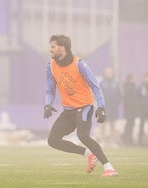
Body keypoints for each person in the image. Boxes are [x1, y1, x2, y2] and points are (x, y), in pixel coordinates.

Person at [44, 34, 118, 177]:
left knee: (83, 135)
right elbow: (49, 90)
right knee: (52, 141)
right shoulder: (50, 66)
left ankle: (109, 168)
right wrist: (47, 105)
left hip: (84, 107)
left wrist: (101, 107)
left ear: (62, 48)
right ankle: (89, 154)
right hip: (68, 111)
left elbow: (95, 86)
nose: (50, 50)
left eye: (53, 47)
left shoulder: (79, 64)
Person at [100, 67, 122, 147]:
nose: (108, 74)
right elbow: (98, 94)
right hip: (104, 107)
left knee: (113, 125)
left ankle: (112, 141)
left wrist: (117, 103)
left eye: (110, 73)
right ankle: (103, 141)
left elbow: (120, 95)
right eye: (107, 73)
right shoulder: (102, 83)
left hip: (113, 108)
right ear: (105, 74)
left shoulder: (116, 83)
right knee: (103, 124)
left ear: (112, 74)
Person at [122, 74, 139, 146]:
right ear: (129, 79)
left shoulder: (134, 87)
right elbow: (127, 99)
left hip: (133, 110)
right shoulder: (127, 87)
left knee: (131, 124)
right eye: (133, 78)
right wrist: (134, 104)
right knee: (129, 124)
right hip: (129, 110)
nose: (134, 80)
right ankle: (126, 140)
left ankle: (130, 140)